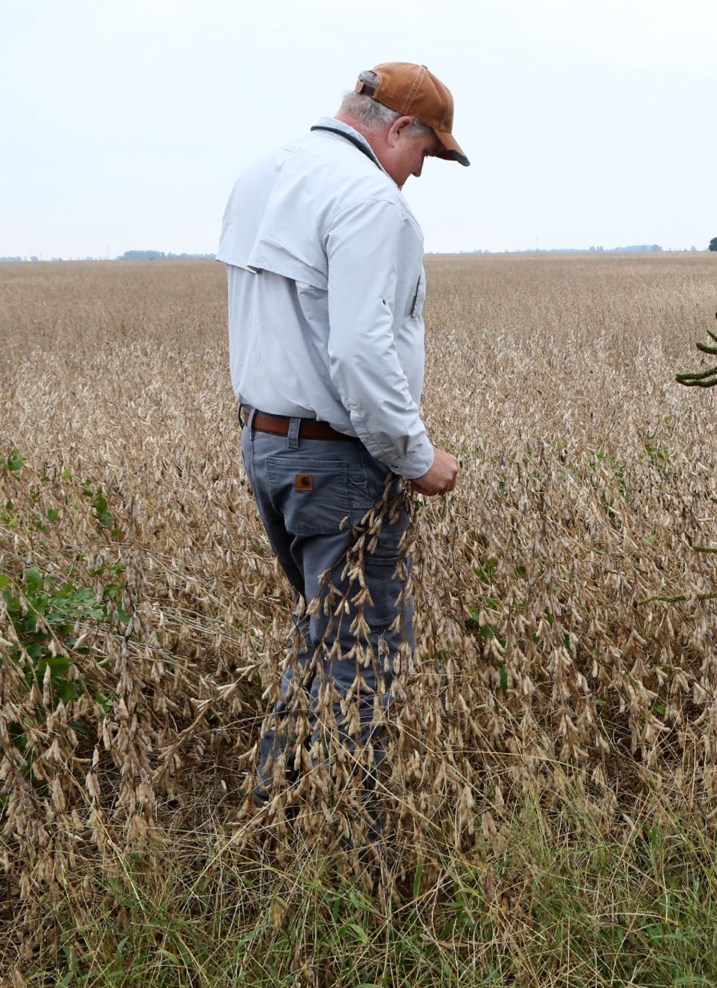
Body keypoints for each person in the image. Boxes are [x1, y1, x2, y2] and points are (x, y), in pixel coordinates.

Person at [218, 63, 466, 819]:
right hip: (338, 460)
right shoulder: (369, 199)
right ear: (399, 128)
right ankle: (355, 848)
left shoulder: (263, 175)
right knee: (363, 660)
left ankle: (273, 819)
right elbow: (360, 351)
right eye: (425, 153)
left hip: (267, 447)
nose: (418, 172)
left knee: (323, 638)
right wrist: (416, 457)